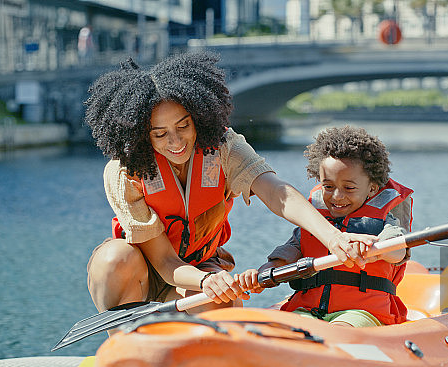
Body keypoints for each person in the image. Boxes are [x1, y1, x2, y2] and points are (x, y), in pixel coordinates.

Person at [84, 51, 375, 314]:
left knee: (222, 300)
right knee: (114, 259)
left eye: (183, 126)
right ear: (140, 135)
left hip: (198, 272)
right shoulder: (123, 172)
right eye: (160, 134)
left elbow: (276, 192)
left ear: (199, 116)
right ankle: (122, 344)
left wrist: (334, 238)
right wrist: (207, 280)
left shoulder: (224, 147)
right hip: (150, 274)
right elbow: (164, 262)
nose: (175, 142)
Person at [237, 126, 413, 327]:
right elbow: (283, 259)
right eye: (328, 187)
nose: (337, 196)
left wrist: (375, 249)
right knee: (278, 329)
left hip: (361, 313)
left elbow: (398, 250)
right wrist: (260, 274)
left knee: (340, 329)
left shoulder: (385, 223)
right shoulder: (314, 225)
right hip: (307, 310)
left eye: (349, 188)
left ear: (372, 188)